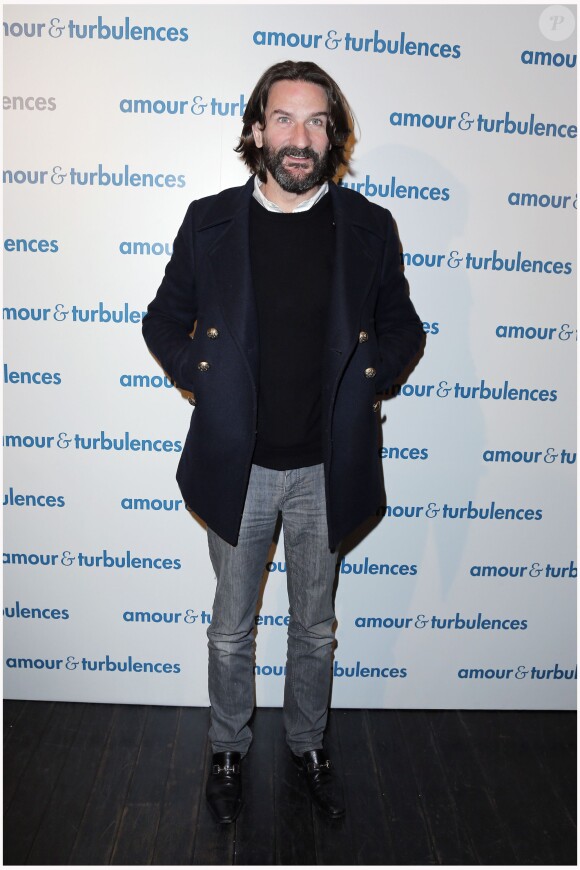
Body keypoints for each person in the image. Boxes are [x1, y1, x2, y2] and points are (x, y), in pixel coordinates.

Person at [142, 59, 424, 824]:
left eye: (316, 122)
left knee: (316, 630)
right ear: (257, 129)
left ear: (335, 135)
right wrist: (196, 373)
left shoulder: (370, 226)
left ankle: (308, 748)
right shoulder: (208, 222)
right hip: (239, 468)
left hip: (328, 470)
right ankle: (228, 749)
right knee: (231, 632)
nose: (300, 138)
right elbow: (161, 318)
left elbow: (403, 327)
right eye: (285, 119)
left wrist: (370, 375)